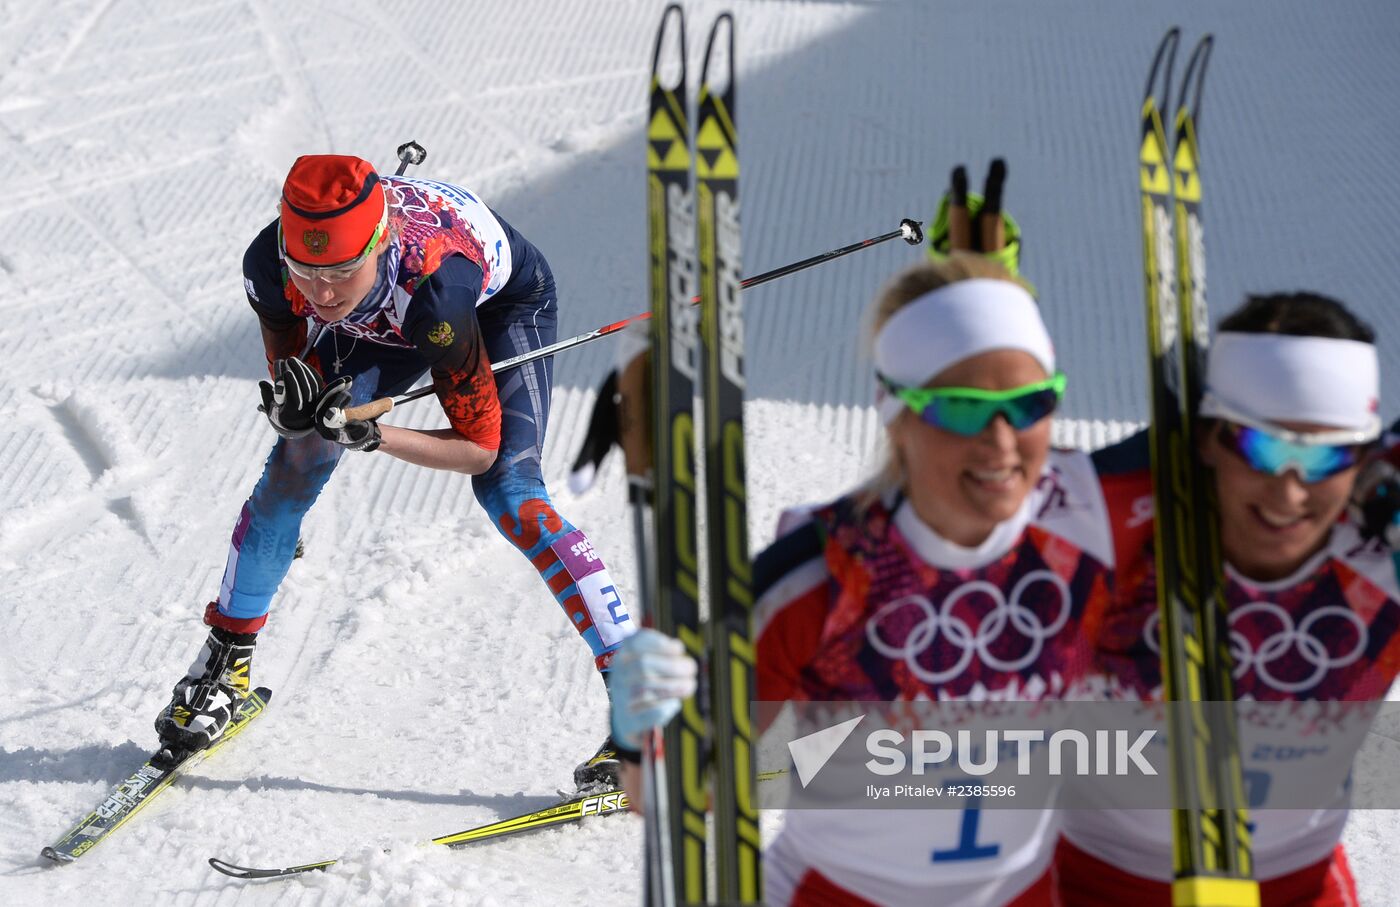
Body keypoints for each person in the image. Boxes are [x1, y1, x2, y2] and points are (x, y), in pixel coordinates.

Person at [611, 253, 1117, 906]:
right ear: (896, 413)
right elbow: (671, 795)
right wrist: (637, 729)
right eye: (961, 408)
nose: (1002, 441)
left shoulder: (1089, 521)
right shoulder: (821, 576)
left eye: (1029, 404)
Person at [153, 154, 635, 791]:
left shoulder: (438, 294)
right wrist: (300, 410)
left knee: (511, 495)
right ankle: (226, 664)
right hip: (380, 326)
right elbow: (293, 366)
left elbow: (478, 448)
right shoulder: (268, 266)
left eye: (342, 272)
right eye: (309, 272)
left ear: (378, 244)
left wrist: (372, 433)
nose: (322, 294)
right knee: (293, 466)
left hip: (486, 309)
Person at [1059, 292, 1398, 906]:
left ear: (1362, 456)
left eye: (1325, 457)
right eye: (1263, 449)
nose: (1290, 495)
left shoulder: (1380, 552)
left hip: (1297, 885)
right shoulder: (1112, 532)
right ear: (1209, 438)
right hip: (1090, 879)